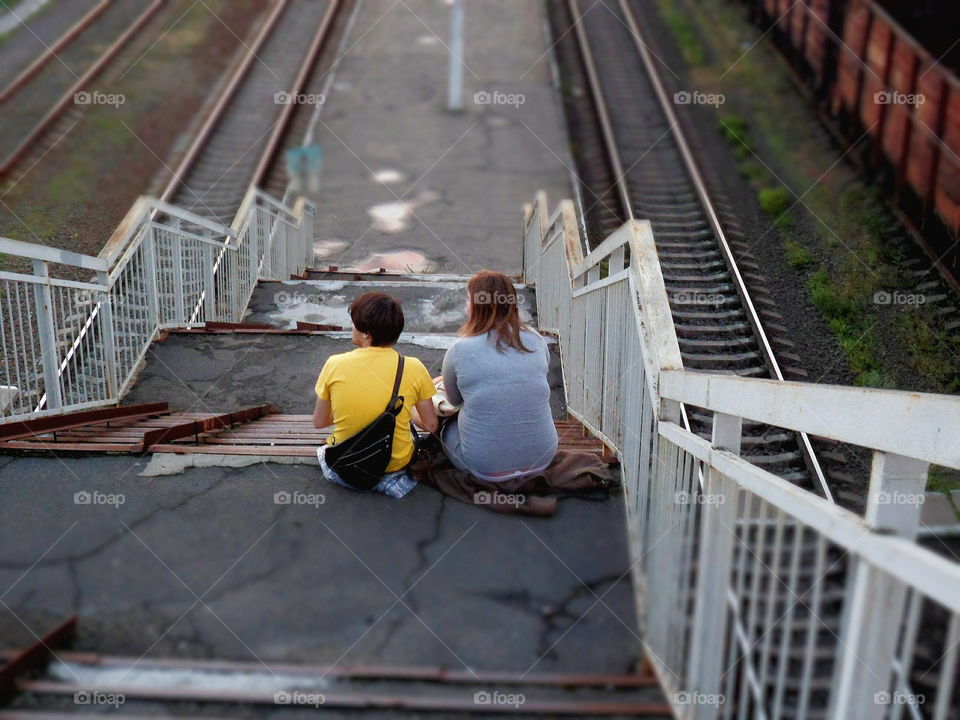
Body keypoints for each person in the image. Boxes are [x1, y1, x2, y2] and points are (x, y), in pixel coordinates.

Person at [313, 292, 438, 498]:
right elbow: (431, 426)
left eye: (354, 324)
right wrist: (407, 409)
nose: (352, 328)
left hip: (346, 463)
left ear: (366, 333)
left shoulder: (334, 364)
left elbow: (319, 422)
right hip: (394, 466)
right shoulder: (413, 367)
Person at [439, 270, 558, 481]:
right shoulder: (536, 340)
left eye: (468, 300)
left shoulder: (459, 350)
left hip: (484, 468)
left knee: (445, 427)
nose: (466, 305)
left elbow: (454, 401)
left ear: (477, 306)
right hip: (543, 458)